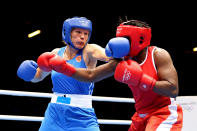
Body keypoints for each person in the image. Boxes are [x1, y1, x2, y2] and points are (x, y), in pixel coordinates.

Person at [37, 19, 183, 131]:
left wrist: (142, 80)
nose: (120, 42)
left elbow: (173, 90)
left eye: (125, 38)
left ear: (140, 39)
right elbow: (91, 75)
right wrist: (64, 68)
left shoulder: (158, 55)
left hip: (163, 112)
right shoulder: (122, 59)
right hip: (140, 115)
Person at [17, 17, 127, 131]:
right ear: (67, 33)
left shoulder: (89, 50)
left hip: (82, 114)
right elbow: (38, 77)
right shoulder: (56, 53)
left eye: (86, 33)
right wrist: (29, 74)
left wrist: (119, 51)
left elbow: (109, 56)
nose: (82, 36)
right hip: (54, 114)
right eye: (78, 32)